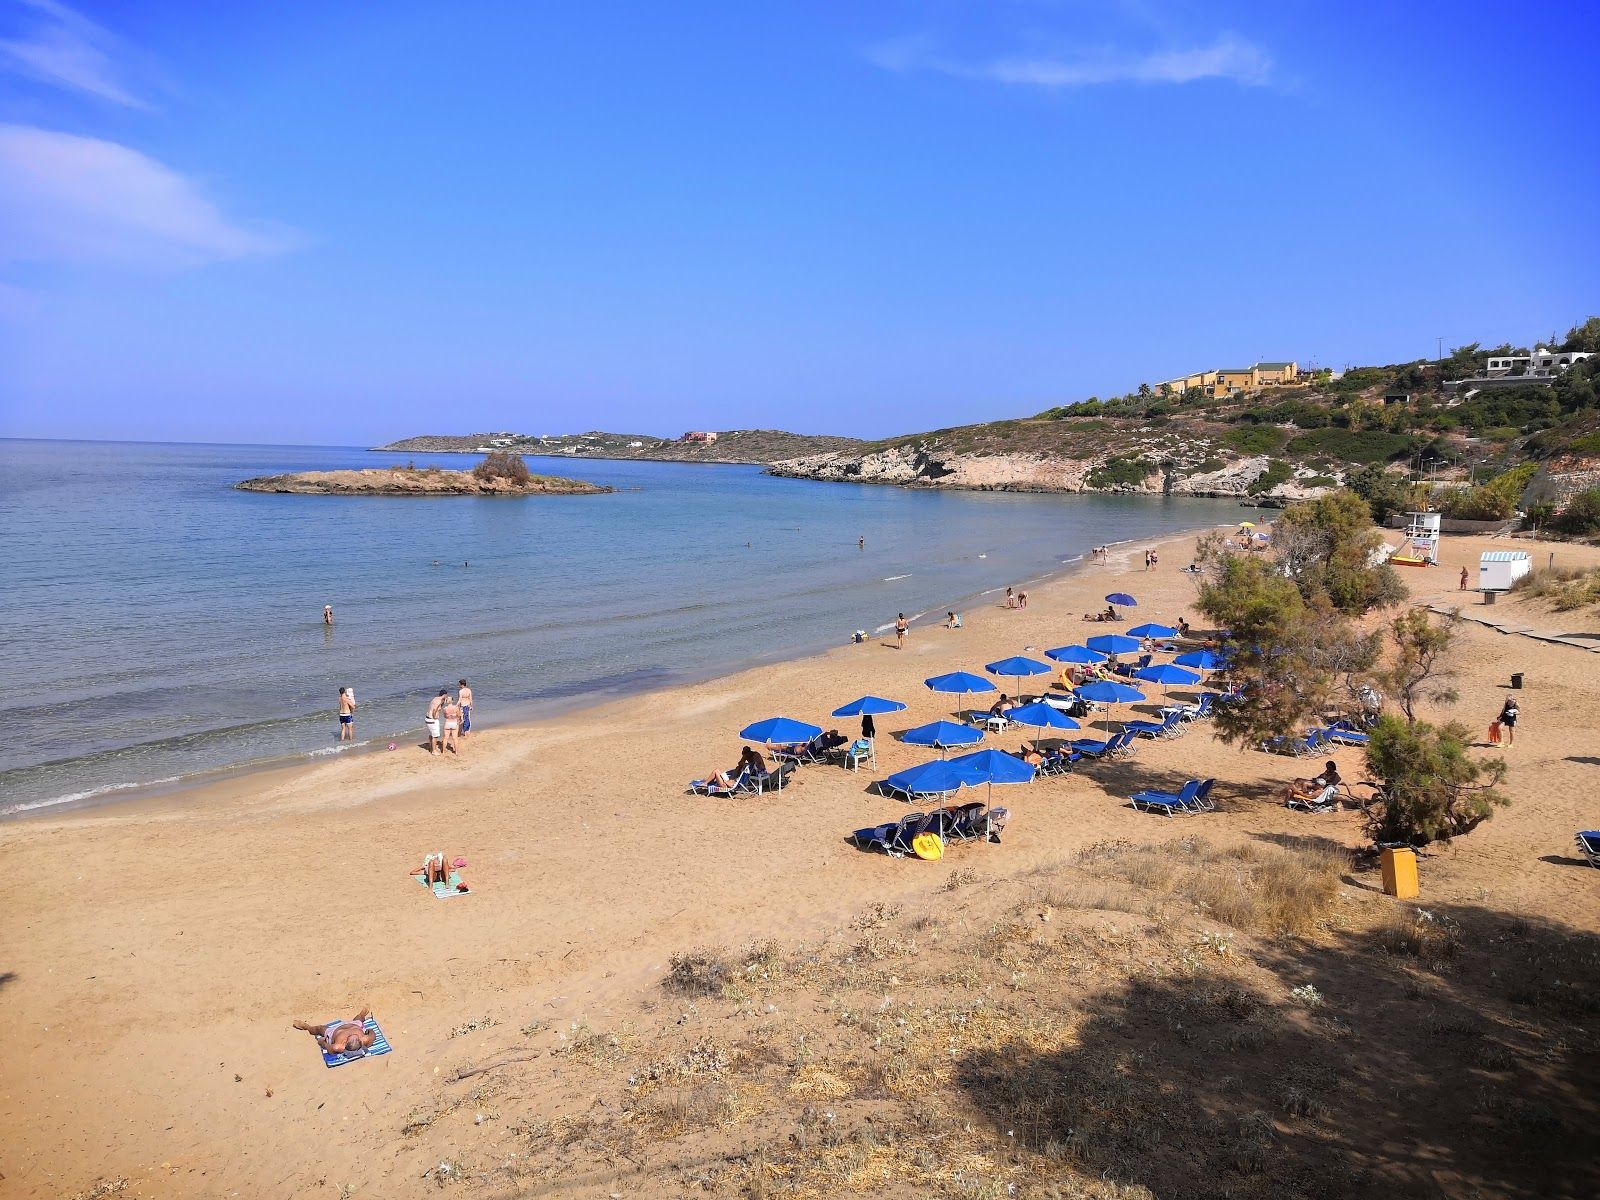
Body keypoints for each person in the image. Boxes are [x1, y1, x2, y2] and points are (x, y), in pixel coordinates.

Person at [295, 1007, 375, 1057]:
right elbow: (372, 1033)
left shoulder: (337, 1047)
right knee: (359, 1018)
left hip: (333, 1031)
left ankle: (307, 1027)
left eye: (350, 1037)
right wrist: (369, 1030)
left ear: (345, 1043)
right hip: (355, 1025)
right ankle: (362, 1013)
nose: (350, 1034)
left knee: (319, 1028)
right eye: (355, 1036)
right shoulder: (366, 1039)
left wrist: (322, 1041)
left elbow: (326, 1046)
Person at [426, 688, 448, 755]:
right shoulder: (439, 701)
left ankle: (431, 747)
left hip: (427, 719)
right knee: (435, 736)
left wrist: (443, 701)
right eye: (446, 695)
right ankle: (434, 751)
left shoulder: (435, 698)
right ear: (444, 695)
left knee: (432, 734)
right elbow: (435, 710)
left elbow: (438, 706)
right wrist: (434, 717)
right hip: (432, 720)